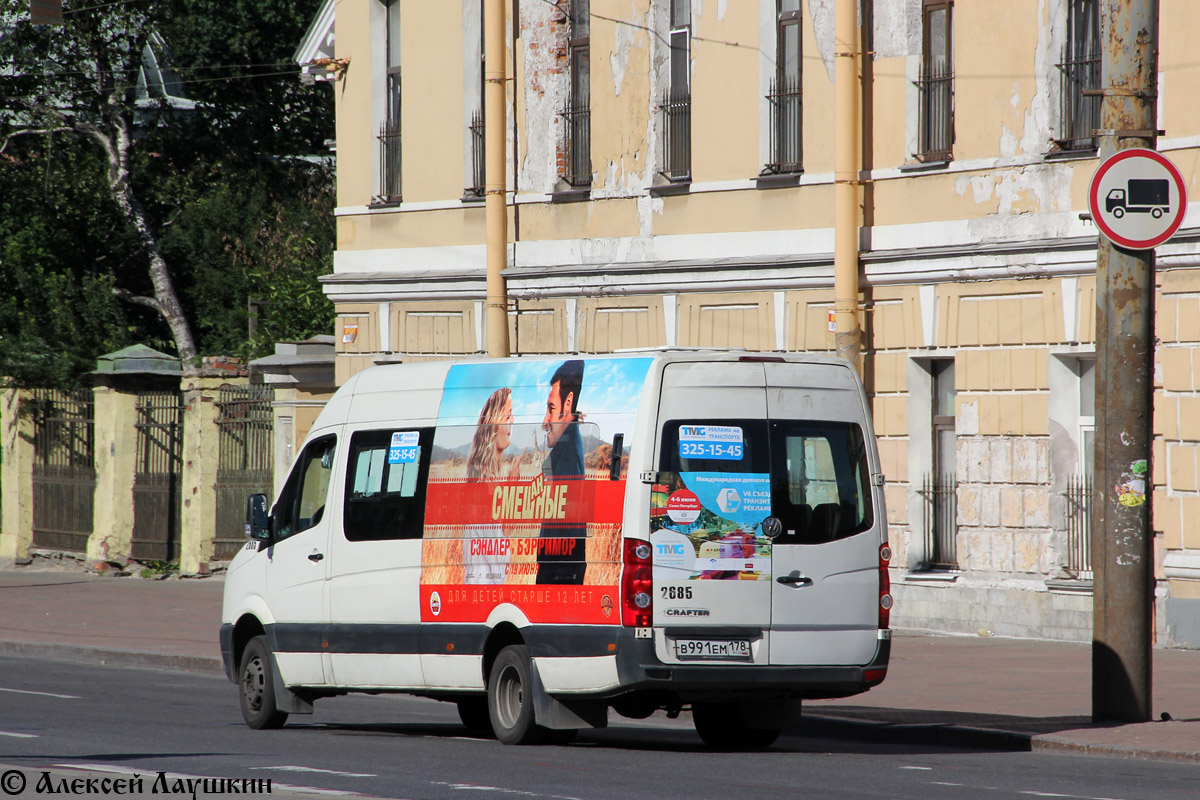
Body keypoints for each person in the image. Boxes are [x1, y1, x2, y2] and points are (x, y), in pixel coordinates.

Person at [536, 360, 587, 584]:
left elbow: (565, 524)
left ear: (568, 404)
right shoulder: (565, 446)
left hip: (558, 569)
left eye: (551, 409)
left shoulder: (567, 454)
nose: (545, 420)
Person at [463, 387, 513, 584]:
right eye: (508, 415)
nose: (513, 421)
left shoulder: (487, 479)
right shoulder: (483, 485)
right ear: (493, 424)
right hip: (483, 592)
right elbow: (498, 556)